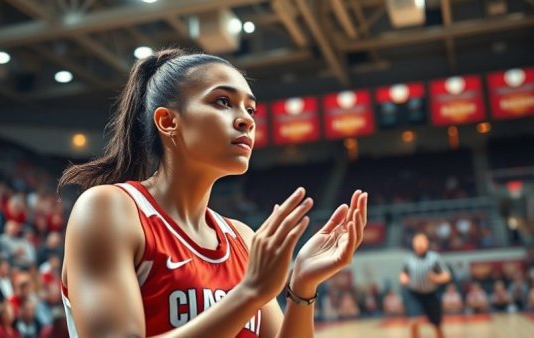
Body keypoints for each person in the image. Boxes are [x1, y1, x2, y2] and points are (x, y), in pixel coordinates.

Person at [57, 49, 369, 338]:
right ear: (168, 121)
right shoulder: (108, 209)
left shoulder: (242, 238)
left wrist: (302, 286)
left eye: (251, 108)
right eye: (222, 101)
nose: (247, 119)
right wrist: (249, 293)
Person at [400, 233, 451, 338]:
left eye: (422, 241)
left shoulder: (434, 258)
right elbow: (404, 272)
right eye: (417, 242)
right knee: (413, 321)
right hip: (414, 294)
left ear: (427, 243)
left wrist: (436, 278)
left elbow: (446, 275)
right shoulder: (408, 259)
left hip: (431, 294)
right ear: (413, 244)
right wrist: (403, 278)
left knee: (436, 323)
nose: (419, 244)